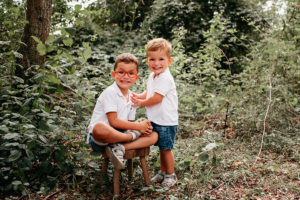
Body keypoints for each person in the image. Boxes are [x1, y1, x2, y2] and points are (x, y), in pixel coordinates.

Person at [87, 53, 158, 170]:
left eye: (131, 73)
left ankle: (119, 147)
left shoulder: (132, 97)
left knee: (154, 135)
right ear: (114, 74)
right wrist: (138, 127)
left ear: (136, 77)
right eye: (121, 72)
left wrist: (142, 127)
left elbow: (129, 122)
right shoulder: (110, 92)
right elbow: (114, 122)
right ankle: (125, 141)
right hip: (102, 138)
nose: (126, 76)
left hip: (121, 134)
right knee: (99, 127)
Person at [131, 38, 178, 188]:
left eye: (161, 59)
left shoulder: (165, 78)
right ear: (147, 60)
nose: (156, 63)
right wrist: (140, 96)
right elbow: (150, 92)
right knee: (161, 148)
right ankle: (163, 172)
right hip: (156, 119)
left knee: (166, 149)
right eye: (152, 59)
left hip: (166, 121)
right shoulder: (153, 76)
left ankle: (171, 175)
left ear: (169, 61)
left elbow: (157, 98)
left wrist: (141, 103)